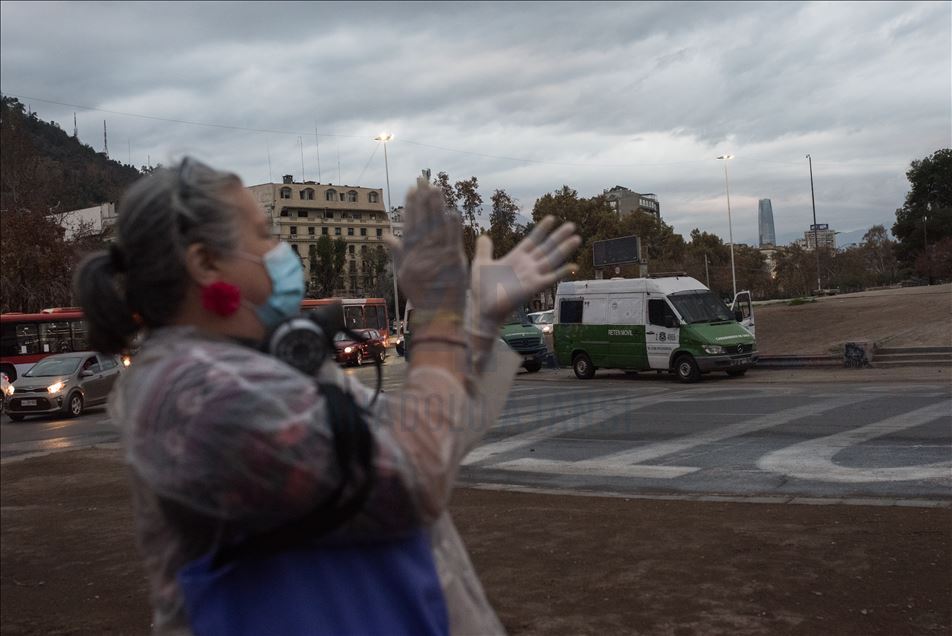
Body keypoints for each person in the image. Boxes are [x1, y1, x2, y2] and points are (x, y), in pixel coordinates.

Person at [74, 157, 580, 635]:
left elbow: (432, 435)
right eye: (265, 234)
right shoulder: (195, 398)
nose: (281, 251)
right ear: (205, 262)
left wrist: (477, 322)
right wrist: (439, 314)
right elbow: (415, 478)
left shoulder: (255, 363)